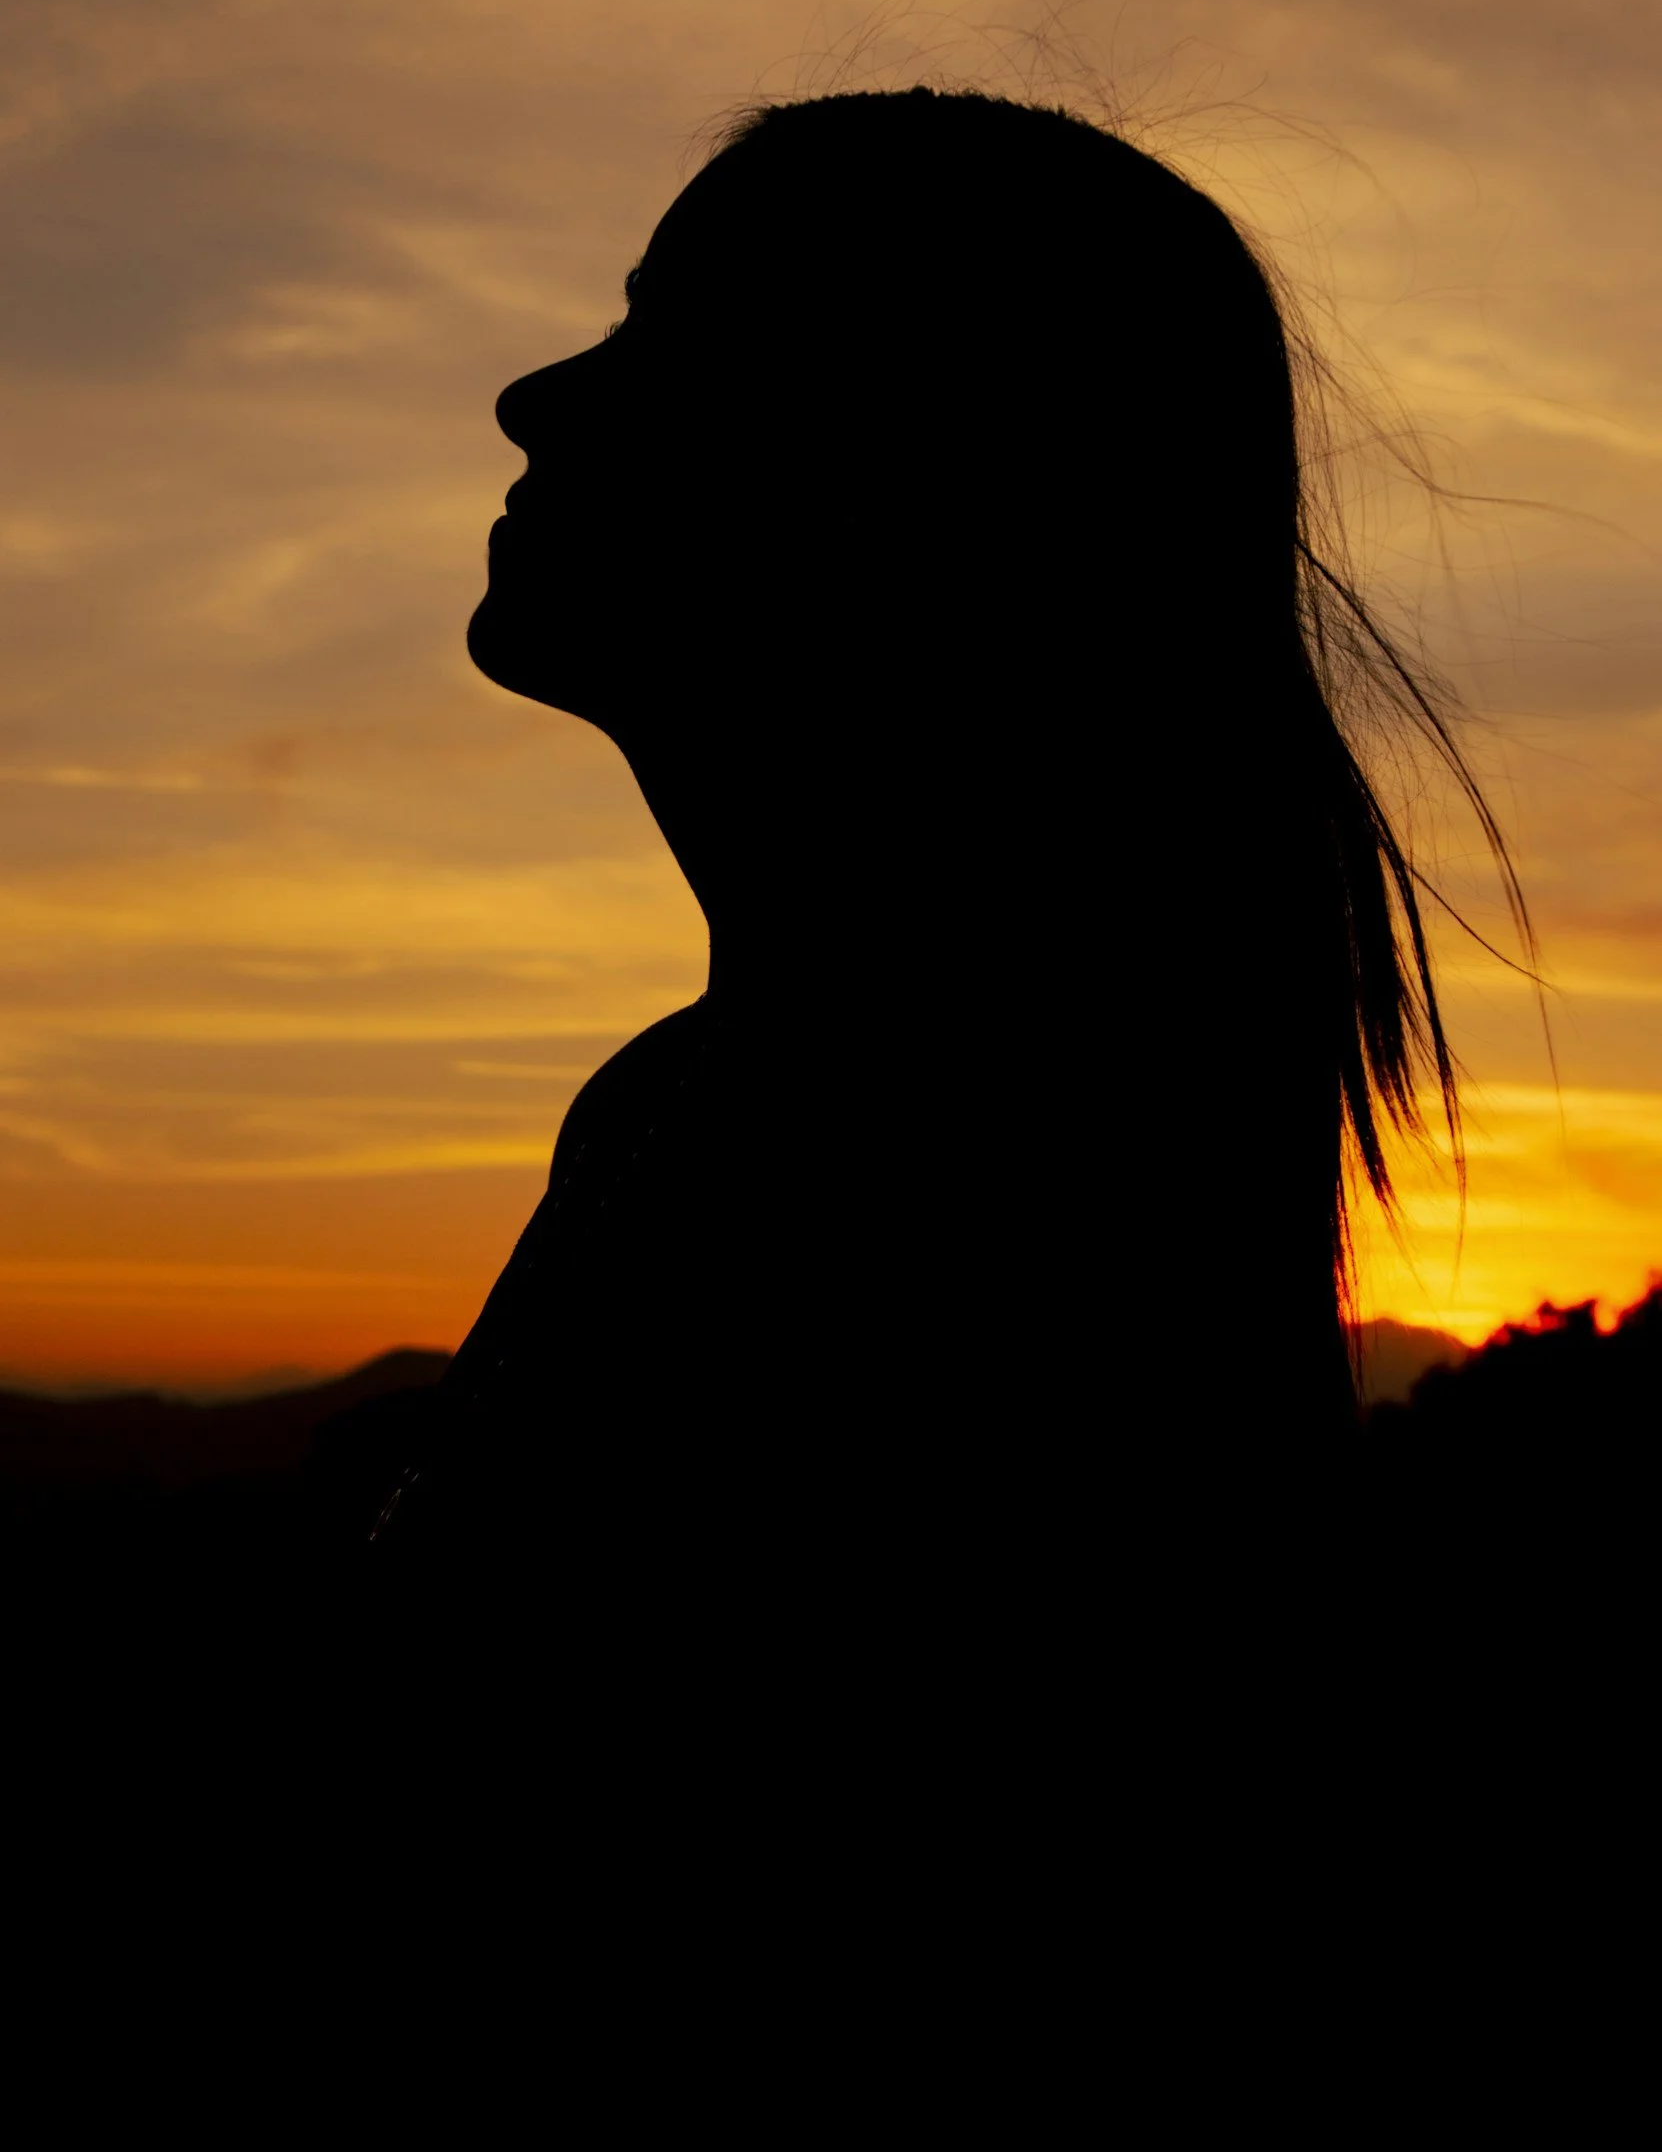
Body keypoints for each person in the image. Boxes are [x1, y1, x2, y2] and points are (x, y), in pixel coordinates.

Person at [373, 87, 1504, 1649]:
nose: (533, 397)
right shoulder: (709, 1103)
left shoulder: (925, 1170)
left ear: (892, 473)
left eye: (670, 342)